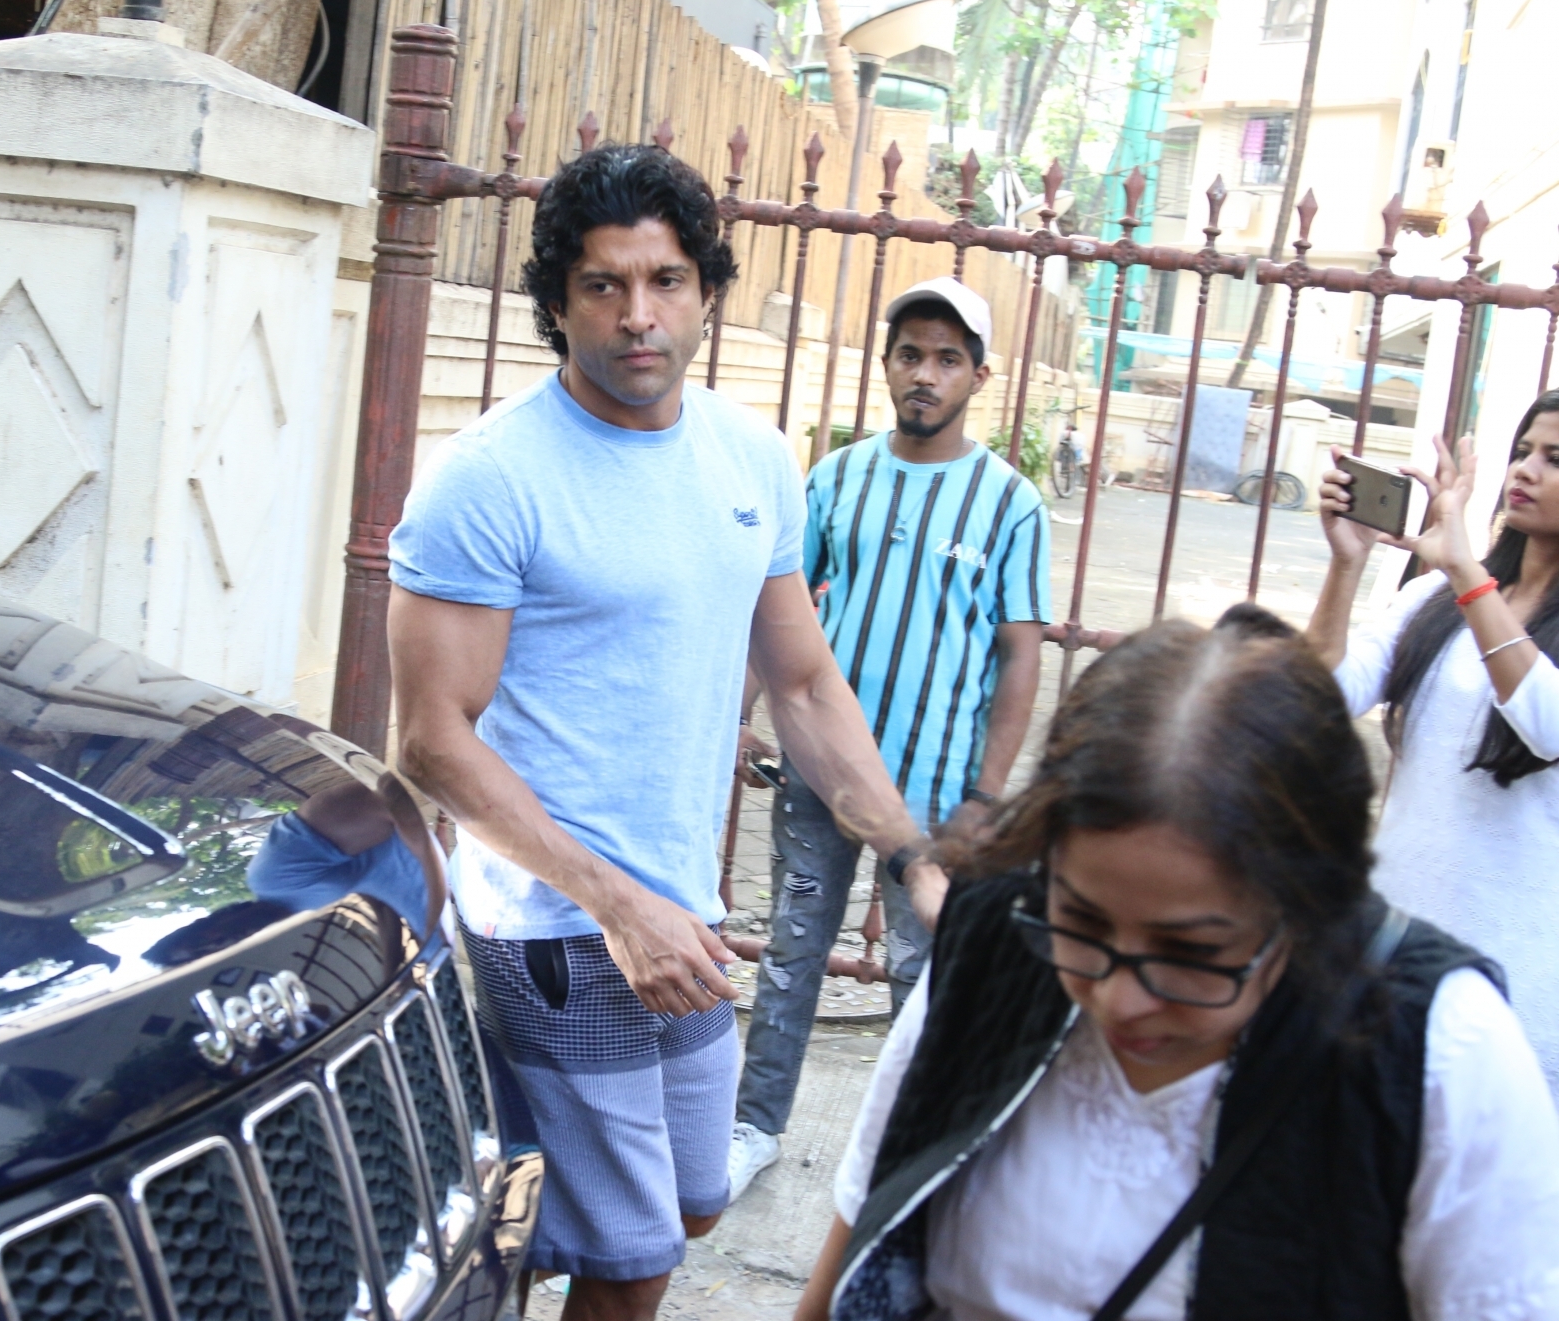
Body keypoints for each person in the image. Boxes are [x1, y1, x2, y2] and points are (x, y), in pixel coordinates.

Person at [386, 144, 945, 1321]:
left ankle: (494, 1218)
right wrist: (613, 902)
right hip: (553, 914)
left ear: (705, 291)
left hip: (678, 909)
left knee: (693, 1199)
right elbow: (433, 740)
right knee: (636, 1255)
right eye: (603, 285)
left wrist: (910, 853)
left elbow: (801, 684)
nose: (638, 316)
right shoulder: (491, 478)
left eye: (666, 281)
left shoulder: (751, 460)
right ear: (555, 302)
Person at [793, 607, 1559, 1321]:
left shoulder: (1438, 1049)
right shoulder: (999, 933)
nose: (1121, 1001)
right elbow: (868, 1215)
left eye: (1193, 953)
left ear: (1307, 906)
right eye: (1083, 923)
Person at [728, 278, 1050, 1201]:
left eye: (948, 358)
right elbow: (781, 612)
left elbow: (1019, 658)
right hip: (821, 773)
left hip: (937, 798)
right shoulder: (835, 478)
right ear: (886, 364)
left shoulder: (1009, 504)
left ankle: (907, 1153)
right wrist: (739, 713)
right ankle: (754, 1127)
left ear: (979, 376)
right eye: (911, 353)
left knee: (920, 972)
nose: (926, 374)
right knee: (794, 952)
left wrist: (987, 796)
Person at [1307, 400, 1559, 1092]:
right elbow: (1322, 696)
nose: (1526, 471)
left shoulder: (1464, 587)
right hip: (1394, 954)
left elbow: (1548, 723)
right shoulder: (1438, 600)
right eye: (1524, 449)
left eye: (1554, 459)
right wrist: (1346, 564)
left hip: (1522, 985)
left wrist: (1466, 574)